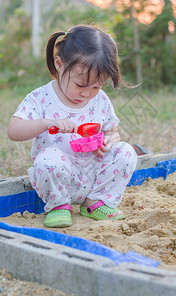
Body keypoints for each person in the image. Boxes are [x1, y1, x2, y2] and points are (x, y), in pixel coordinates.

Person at [8, 25, 137, 228]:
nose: (87, 93)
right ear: (59, 64)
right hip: (59, 179)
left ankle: (96, 202)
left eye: (96, 86)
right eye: (80, 85)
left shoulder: (100, 100)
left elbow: (112, 131)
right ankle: (59, 206)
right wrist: (47, 123)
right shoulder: (41, 98)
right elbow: (13, 131)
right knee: (48, 159)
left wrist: (110, 140)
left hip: (93, 175)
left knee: (126, 152)